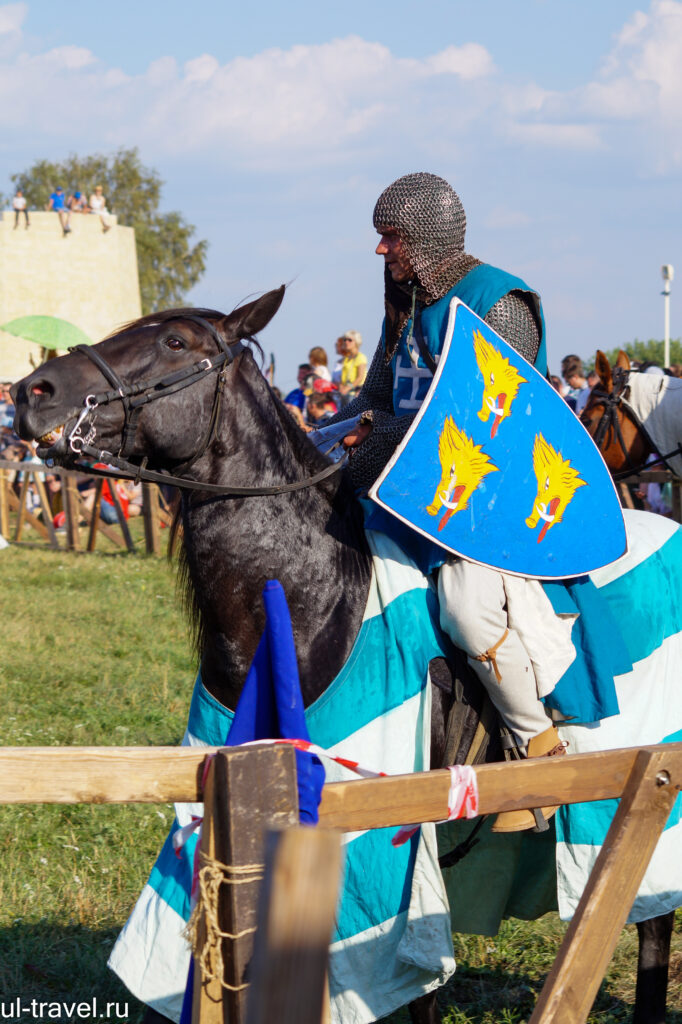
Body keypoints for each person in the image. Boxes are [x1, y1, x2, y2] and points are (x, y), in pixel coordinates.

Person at [329, 171, 575, 831]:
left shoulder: (497, 301)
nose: (382, 250)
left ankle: (538, 747)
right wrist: (328, 442)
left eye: (392, 237)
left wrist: (383, 437)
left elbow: (498, 422)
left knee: (468, 612)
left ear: (429, 237)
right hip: (407, 490)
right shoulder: (406, 303)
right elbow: (378, 400)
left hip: (484, 499)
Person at [338, 331, 367, 405]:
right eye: (345, 340)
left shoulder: (361, 357)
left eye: (350, 340)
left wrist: (347, 388)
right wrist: (341, 386)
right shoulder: (347, 358)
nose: (346, 342)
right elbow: (343, 377)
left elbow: (360, 377)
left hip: (355, 393)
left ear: (356, 342)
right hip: (345, 393)